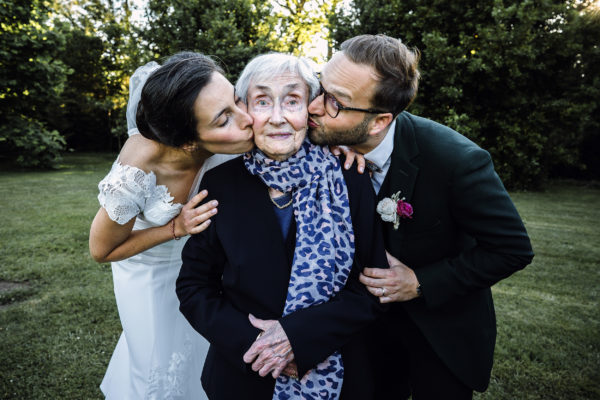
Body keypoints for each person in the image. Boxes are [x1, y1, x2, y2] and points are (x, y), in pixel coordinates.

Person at [307, 34, 535, 399]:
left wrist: (421, 282)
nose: (314, 107)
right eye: (320, 87)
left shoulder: (457, 161)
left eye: (335, 102)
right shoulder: (319, 144)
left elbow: (512, 249)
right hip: (360, 337)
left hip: (440, 334)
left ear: (380, 120)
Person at [176, 53, 388, 400]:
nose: (277, 118)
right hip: (244, 375)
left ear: (310, 109)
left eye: (292, 100)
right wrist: (255, 344)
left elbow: (371, 286)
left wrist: (298, 338)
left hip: (340, 370)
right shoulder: (220, 184)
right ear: (245, 110)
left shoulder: (350, 177)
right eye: (262, 101)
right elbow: (194, 286)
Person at [89, 52, 253, 399]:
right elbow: (102, 250)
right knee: (157, 363)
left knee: (206, 353)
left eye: (237, 100)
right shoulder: (138, 168)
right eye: (224, 118)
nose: (247, 118)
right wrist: (174, 228)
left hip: (203, 269)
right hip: (147, 274)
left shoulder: (235, 137)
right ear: (187, 142)